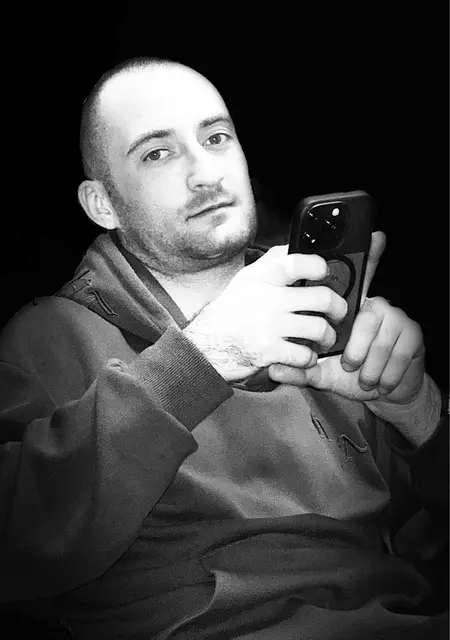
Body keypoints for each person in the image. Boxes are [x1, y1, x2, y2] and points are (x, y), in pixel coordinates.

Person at [0, 56, 447, 640]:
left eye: (216, 138)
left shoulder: (326, 319)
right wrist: (203, 359)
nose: (204, 173)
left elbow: (429, 550)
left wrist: (419, 412)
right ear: (102, 203)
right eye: (158, 153)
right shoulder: (46, 337)